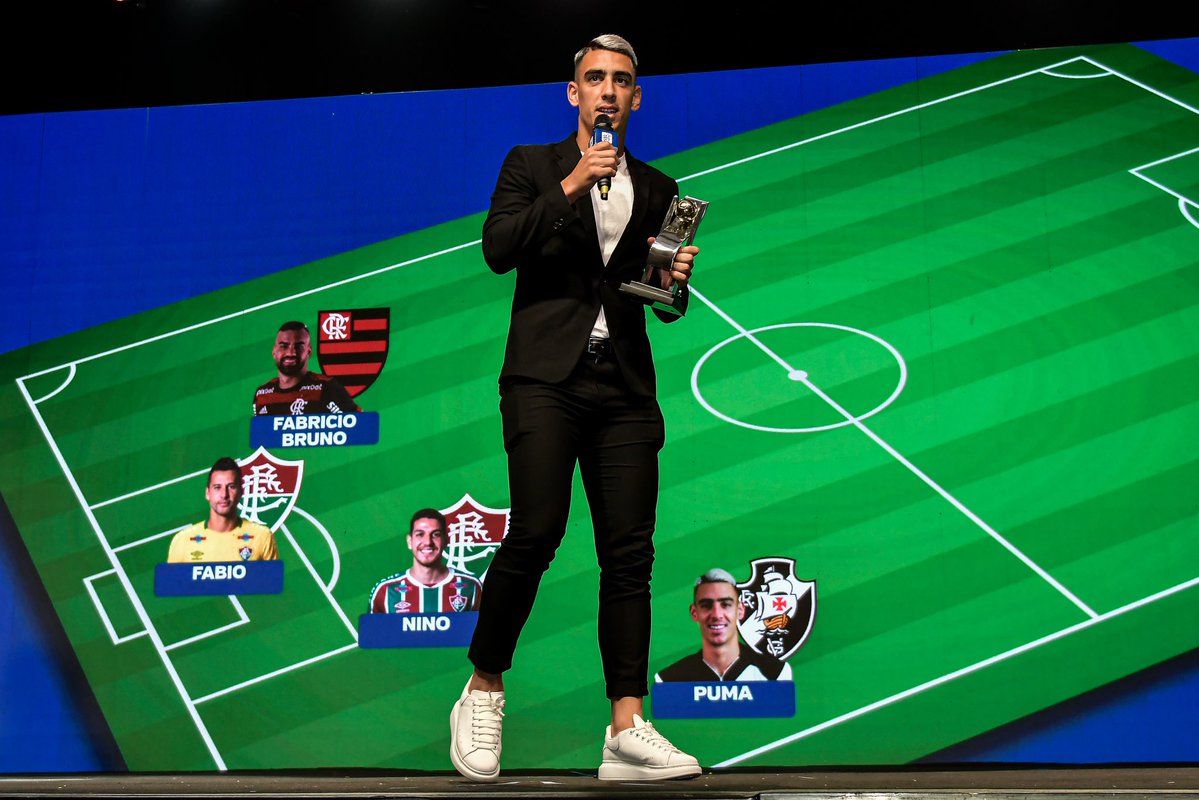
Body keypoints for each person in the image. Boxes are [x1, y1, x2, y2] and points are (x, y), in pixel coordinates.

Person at [449, 34, 701, 782]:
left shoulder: (658, 188)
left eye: (620, 80)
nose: (607, 90)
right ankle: (483, 689)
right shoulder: (531, 165)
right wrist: (569, 185)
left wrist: (674, 284)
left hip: (623, 387)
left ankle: (626, 726)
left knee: (629, 555)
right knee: (536, 530)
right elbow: (498, 248)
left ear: (636, 97)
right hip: (543, 380)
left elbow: (659, 304)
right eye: (595, 78)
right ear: (574, 93)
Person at [655, 569, 793, 682]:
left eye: (726, 604)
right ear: (694, 613)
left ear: (740, 611)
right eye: (706, 605)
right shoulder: (669, 679)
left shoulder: (775, 674)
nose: (717, 614)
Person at [369, 508, 483, 613]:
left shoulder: (472, 587)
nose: (428, 542)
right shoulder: (385, 590)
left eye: (436, 534)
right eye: (420, 534)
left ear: (446, 541)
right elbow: (373, 629)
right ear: (409, 541)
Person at [167, 457, 278, 563]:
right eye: (217, 487)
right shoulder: (183, 540)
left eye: (231, 486)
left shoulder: (262, 536)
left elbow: (273, 577)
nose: (224, 495)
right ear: (207, 493)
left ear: (241, 492)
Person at [252, 321, 361, 416]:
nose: (291, 353)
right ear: (274, 352)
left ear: (309, 351)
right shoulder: (262, 394)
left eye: (299, 347)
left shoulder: (327, 387)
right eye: (284, 346)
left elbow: (359, 425)